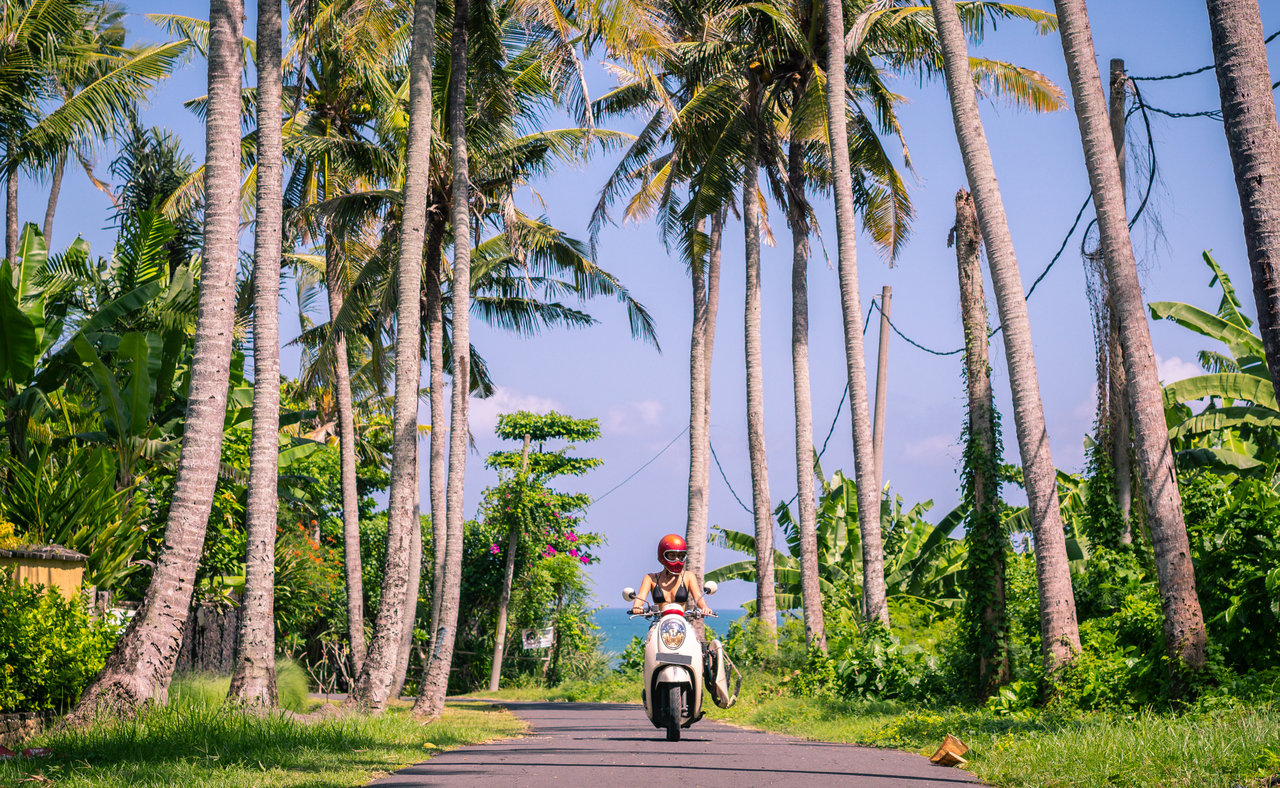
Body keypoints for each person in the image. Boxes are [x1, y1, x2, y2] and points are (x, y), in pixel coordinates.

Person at [629, 533, 713, 617]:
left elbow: (698, 597)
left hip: (680, 621)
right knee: (652, 630)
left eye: (680, 555)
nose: (677, 559)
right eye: (672, 555)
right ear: (662, 555)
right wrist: (637, 606)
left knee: (692, 631)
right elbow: (641, 596)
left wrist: (705, 608)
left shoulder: (688, 576)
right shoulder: (650, 578)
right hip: (659, 621)